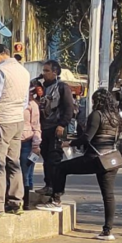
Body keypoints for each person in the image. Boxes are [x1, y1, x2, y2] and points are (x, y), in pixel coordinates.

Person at [37, 89, 122, 241]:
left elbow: (87, 138)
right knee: (108, 195)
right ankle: (107, 231)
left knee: (60, 168)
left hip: (95, 158)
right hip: (111, 158)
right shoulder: (116, 117)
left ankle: (56, 199)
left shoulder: (97, 115)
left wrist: (69, 142)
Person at [0, 44, 31, 217]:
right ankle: (16, 201)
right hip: (18, 120)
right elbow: (25, 100)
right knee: (13, 162)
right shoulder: (23, 71)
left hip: (1, 120)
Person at [34, 61, 75, 196]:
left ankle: (56, 189)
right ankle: (48, 185)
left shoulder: (62, 87)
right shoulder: (40, 88)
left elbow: (69, 108)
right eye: (43, 71)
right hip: (43, 128)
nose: (44, 73)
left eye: (47, 71)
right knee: (46, 158)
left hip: (57, 128)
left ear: (55, 72)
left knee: (54, 159)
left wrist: (62, 124)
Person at [21, 85, 43, 192]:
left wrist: (36, 145)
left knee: (27, 173)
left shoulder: (32, 105)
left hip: (28, 142)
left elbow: (36, 126)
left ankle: (27, 199)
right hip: (14, 140)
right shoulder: (14, 104)